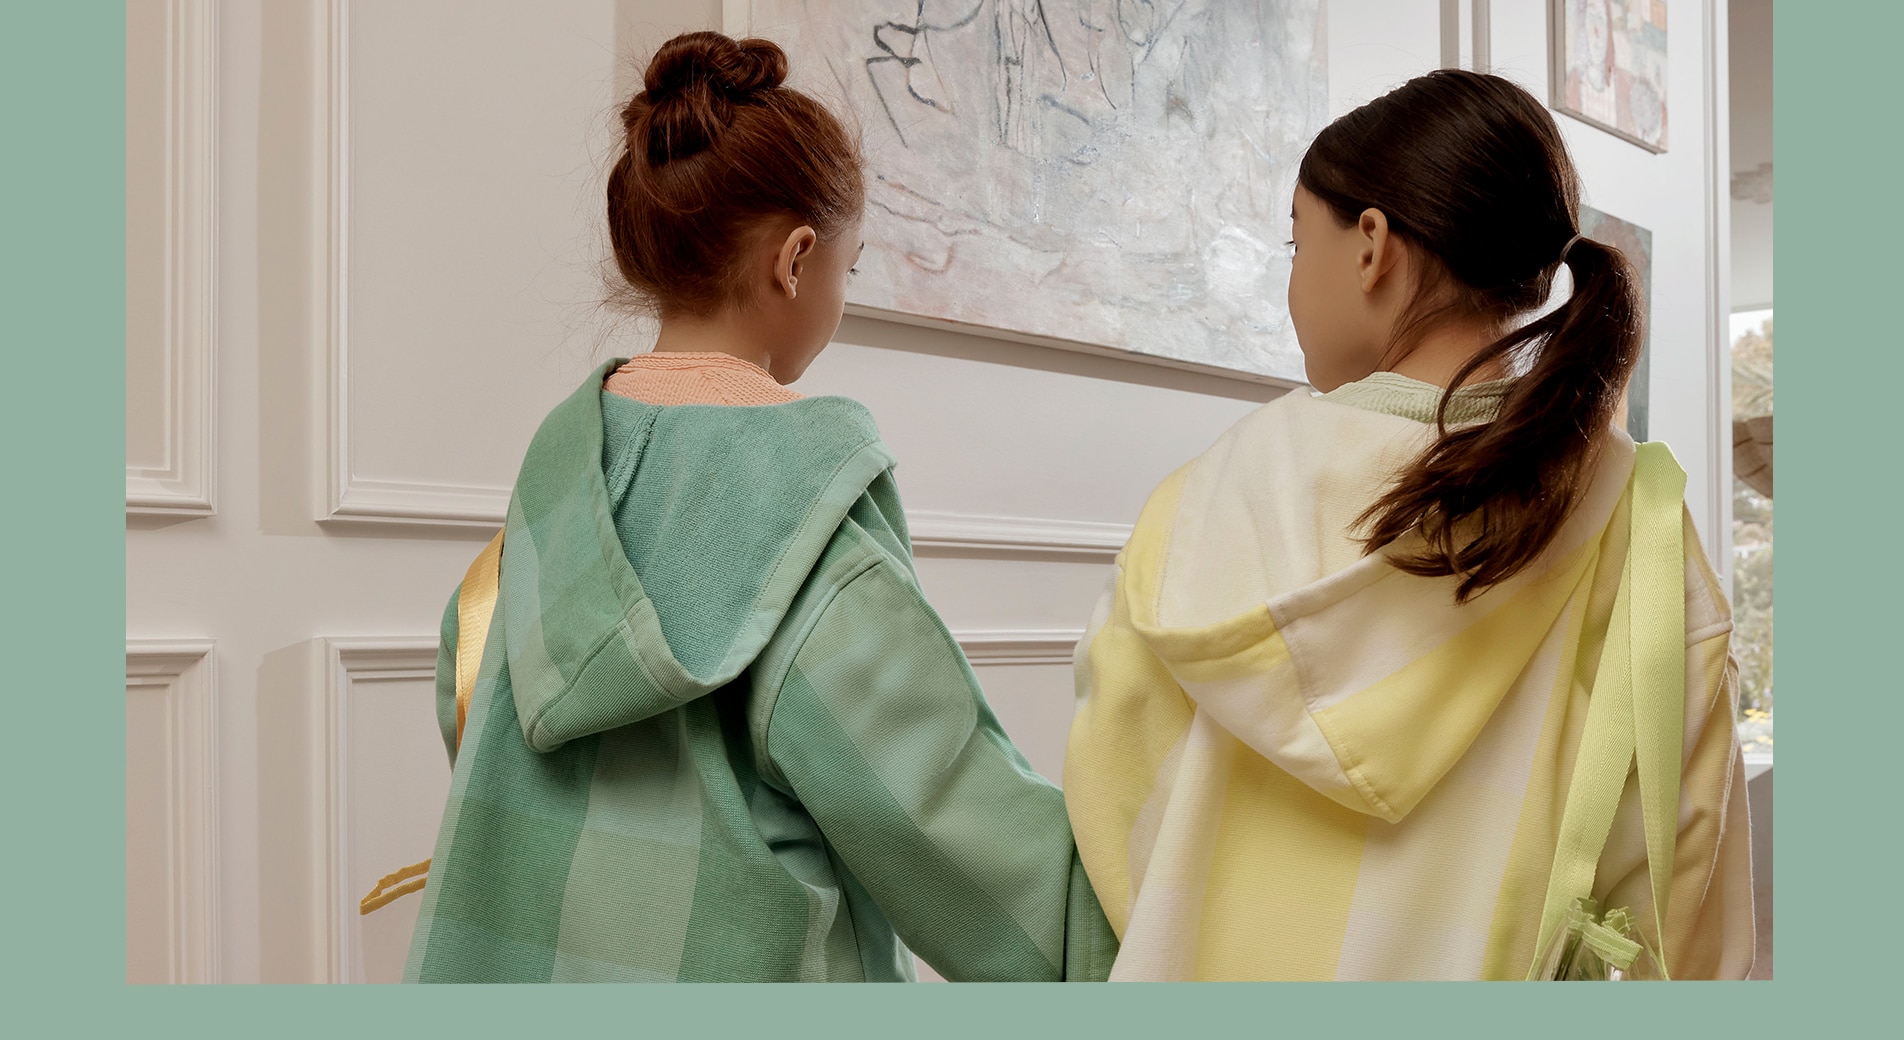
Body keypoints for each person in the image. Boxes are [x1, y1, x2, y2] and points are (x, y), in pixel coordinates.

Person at [402, 30, 1115, 983]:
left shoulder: (553, 497)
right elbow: (953, 834)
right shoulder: (807, 530)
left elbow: (467, 694)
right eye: (849, 273)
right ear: (796, 261)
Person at [1062, 69, 1754, 980]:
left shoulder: (1203, 502)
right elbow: (1682, 878)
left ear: (1372, 246)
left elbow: (1115, 811)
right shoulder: (1637, 525)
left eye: (1295, 243)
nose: (1290, 284)